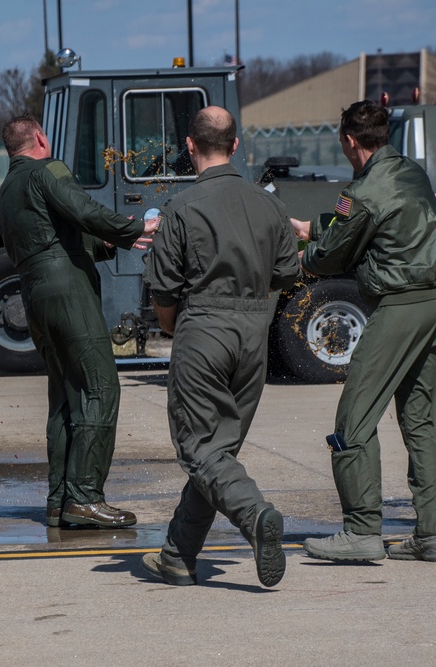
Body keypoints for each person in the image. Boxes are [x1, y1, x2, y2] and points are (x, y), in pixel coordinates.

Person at [138, 106, 299, 588]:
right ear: (234, 145)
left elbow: (164, 296)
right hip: (253, 333)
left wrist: (181, 329)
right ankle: (178, 554)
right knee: (219, 451)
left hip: (203, 327)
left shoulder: (181, 208)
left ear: (190, 146)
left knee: (201, 449)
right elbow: (287, 275)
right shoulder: (269, 205)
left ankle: (255, 516)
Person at [295, 100, 436, 563]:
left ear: (349, 140)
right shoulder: (411, 172)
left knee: (355, 418)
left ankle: (362, 531)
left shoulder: (360, 191)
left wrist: (302, 253)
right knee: (423, 421)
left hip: (399, 306)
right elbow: (382, 226)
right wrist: (322, 228)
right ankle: (432, 534)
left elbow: (333, 256)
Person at [0, 114, 159, 529]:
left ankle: (59, 500)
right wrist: (132, 226)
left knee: (66, 397)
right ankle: (85, 498)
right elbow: (80, 207)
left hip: (33, 293)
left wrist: (104, 241)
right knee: (100, 388)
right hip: (67, 291)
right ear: (40, 138)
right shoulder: (47, 169)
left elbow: (54, 236)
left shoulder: (7, 189)